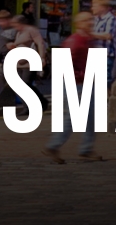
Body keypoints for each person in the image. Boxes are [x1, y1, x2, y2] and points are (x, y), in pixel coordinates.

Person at [43, 11, 100, 162]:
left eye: (91, 19)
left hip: (84, 82)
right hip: (77, 84)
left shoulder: (86, 39)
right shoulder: (75, 41)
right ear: (79, 23)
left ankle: (86, 148)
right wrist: (79, 77)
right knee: (73, 118)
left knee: (90, 118)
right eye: (87, 20)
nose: (91, 22)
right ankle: (54, 145)